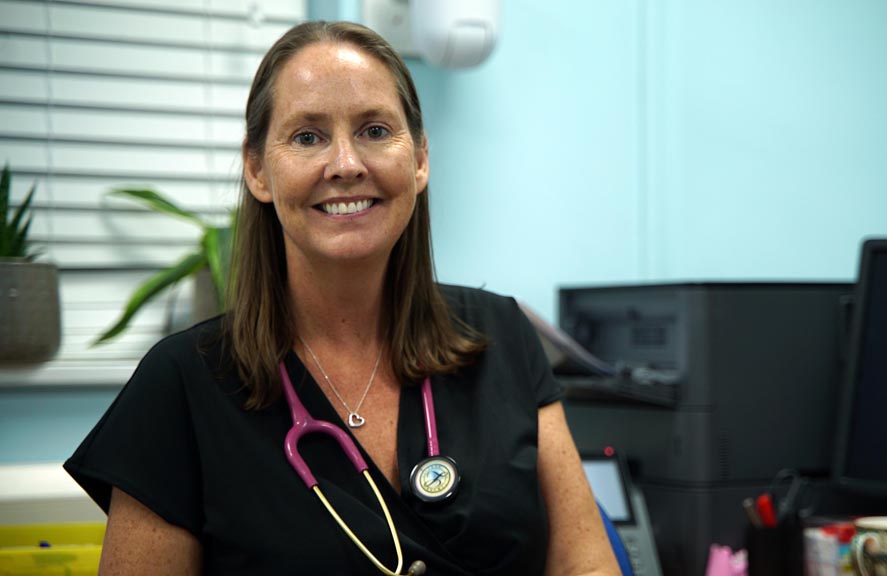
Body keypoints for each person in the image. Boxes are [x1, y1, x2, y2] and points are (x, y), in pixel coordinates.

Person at [65, 21, 620, 576]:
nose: (347, 164)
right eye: (308, 137)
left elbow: (586, 566)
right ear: (257, 170)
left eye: (375, 130)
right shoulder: (182, 385)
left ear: (420, 159)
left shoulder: (502, 335)